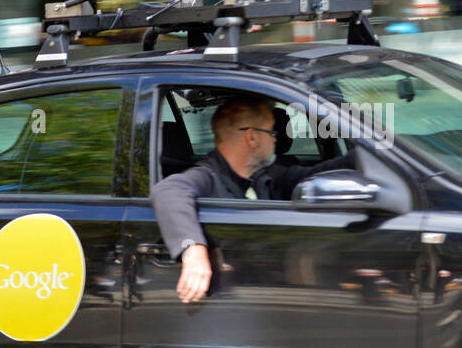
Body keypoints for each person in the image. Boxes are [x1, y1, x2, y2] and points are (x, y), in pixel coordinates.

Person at [151, 94, 353, 303]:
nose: (276, 138)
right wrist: (193, 250)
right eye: (272, 131)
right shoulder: (206, 176)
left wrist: (362, 156)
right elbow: (168, 190)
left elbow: (310, 174)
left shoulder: (265, 174)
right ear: (252, 137)